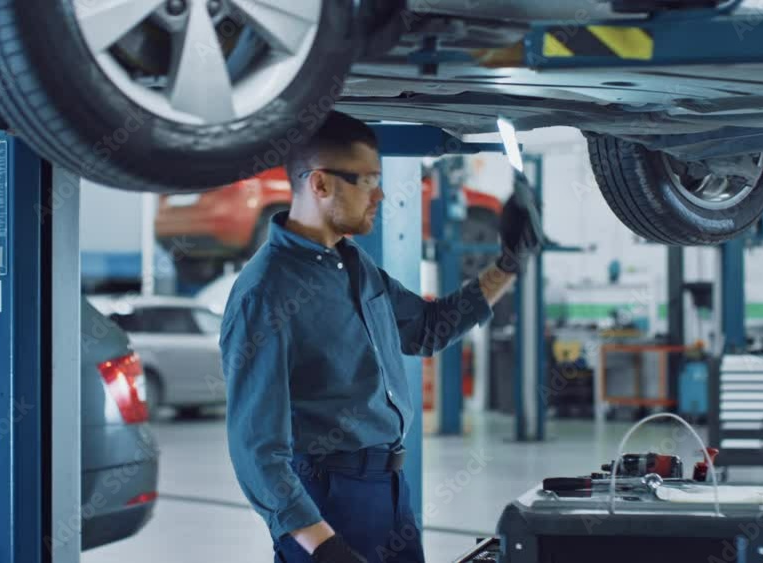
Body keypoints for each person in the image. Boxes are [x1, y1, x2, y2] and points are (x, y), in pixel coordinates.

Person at [219, 111, 540, 563]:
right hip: (326, 500)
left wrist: (509, 263)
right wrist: (322, 545)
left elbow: (429, 329)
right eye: (367, 181)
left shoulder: (353, 265)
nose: (381, 195)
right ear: (321, 184)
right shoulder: (265, 294)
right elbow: (256, 450)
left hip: (388, 491)